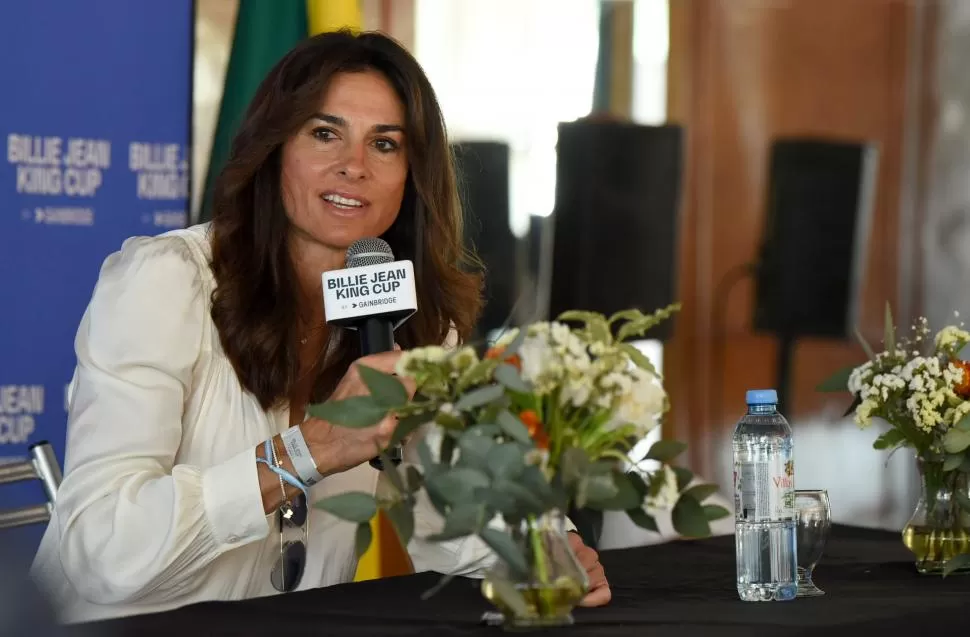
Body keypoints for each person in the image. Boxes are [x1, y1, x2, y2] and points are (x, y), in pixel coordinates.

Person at [29, 30, 609, 624]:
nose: (353, 166)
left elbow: (455, 515)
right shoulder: (166, 281)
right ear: (275, 147)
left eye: (384, 144)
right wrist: (306, 451)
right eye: (325, 133)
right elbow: (98, 548)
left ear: (412, 173)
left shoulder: (414, 319)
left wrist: (537, 545)